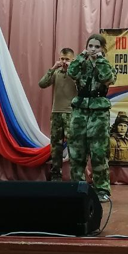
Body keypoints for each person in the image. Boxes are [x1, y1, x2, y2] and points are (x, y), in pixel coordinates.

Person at [67, 34, 116, 201]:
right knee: (76, 150)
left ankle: (102, 189)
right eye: (90, 46)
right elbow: (71, 73)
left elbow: (107, 78)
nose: (93, 49)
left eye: (97, 46)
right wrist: (81, 57)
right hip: (80, 110)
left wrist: (100, 61)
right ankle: (77, 187)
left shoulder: (106, 65)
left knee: (99, 151)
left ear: (102, 49)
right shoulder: (81, 63)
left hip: (99, 111)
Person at [38, 47, 78, 181]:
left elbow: (83, 86)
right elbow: (42, 84)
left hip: (71, 114)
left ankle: (76, 177)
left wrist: (73, 70)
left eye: (67, 59)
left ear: (73, 60)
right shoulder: (56, 72)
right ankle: (56, 175)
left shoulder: (77, 74)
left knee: (73, 146)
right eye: (62, 59)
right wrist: (53, 68)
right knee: (55, 146)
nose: (64, 62)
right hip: (56, 113)